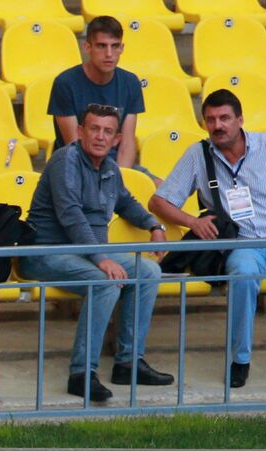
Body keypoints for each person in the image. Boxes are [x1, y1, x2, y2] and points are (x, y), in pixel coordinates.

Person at [150, 88, 266, 390]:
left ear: (240, 120)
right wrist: (192, 222)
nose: (218, 125)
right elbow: (158, 202)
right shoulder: (198, 154)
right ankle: (240, 360)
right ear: (204, 124)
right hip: (242, 245)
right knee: (244, 273)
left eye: (225, 118)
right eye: (211, 119)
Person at [21, 105, 173, 403]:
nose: (100, 137)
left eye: (107, 131)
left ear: (116, 139)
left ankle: (129, 363)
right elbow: (71, 216)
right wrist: (102, 259)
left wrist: (154, 225)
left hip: (86, 253)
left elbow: (126, 203)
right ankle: (81, 374)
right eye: (94, 129)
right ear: (79, 132)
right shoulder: (66, 161)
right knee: (103, 282)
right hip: (46, 252)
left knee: (148, 271)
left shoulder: (110, 168)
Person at [47, 16, 145, 172]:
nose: (109, 53)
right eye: (101, 46)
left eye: (115, 46)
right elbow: (74, 145)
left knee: (162, 192)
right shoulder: (65, 83)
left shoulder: (130, 82)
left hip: (115, 167)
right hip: (75, 167)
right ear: (87, 47)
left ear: (122, 48)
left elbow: (127, 143)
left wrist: (119, 179)